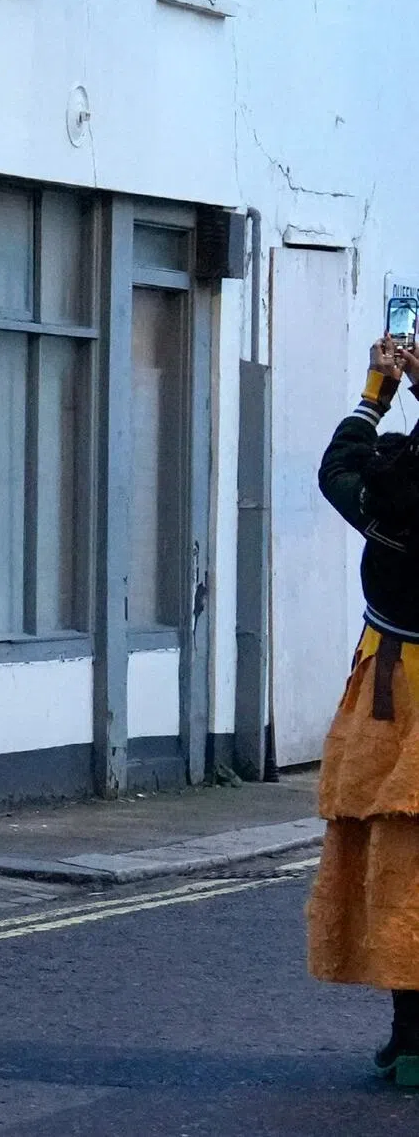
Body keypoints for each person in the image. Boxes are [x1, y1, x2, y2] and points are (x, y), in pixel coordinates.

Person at [308, 334, 419, 1087]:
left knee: (399, 869)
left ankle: (410, 1043)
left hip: (395, 694)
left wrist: (378, 388)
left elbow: (338, 468)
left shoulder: (393, 489)